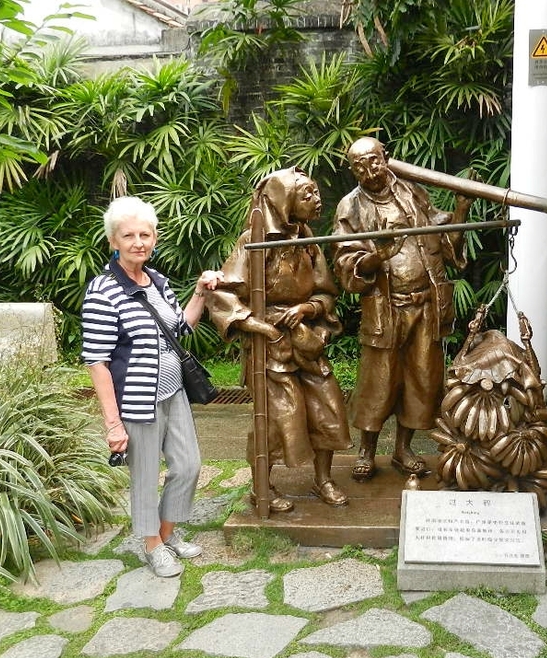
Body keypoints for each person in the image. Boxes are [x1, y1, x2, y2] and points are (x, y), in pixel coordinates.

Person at [82, 196, 218, 577]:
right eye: (128, 235)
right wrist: (112, 424)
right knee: (144, 475)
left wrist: (201, 293)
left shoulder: (157, 281)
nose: (138, 241)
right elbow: (96, 361)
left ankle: (167, 532)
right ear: (114, 241)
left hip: (173, 391)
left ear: (154, 238)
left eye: (145, 234)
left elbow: (180, 327)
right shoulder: (103, 291)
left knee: (188, 465)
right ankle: (151, 545)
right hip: (137, 401)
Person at [204, 167, 351, 511]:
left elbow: (327, 294)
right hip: (270, 348)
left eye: (316, 193)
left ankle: (323, 479)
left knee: (327, 408)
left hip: (306, 341)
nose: (317, 201)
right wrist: (259, 326)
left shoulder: (309, 243)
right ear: (285, 202)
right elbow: (223, 295)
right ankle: (262, 486)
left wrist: (307, 308)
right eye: (308, 195)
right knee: (274, 419)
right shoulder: (252, 243)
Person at [332, 136, 472, 482]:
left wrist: (461, 211)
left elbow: (442, 230)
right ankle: (367, 450)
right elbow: (344, 260)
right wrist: (378, 255)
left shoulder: (412, 192)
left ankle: (403, 448)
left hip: (426, 304)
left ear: (387, 157)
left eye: (374, 160)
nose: (369, 170)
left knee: (422, 379)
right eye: (359, 165)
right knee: (378, 382)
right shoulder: (350, 207)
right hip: (386, 308)